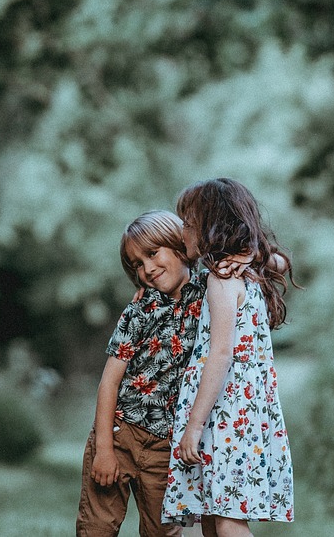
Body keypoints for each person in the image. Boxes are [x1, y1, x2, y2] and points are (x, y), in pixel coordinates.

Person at [76, 210, 255, 537]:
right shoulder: (140, 309)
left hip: (168, 446)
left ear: (179, 244)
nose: (147, 269)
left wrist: (246, 257)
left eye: (152, 253)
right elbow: (109, 382)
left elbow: (276, 264)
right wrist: (103, 448)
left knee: (163, 532)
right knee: (96, 528)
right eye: (137, 264)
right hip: (120, 434)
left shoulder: (211, 289)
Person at [162, 178, 295, 536]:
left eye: (188, 224)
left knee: (227, 522)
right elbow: (280, 261)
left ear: (210, 228)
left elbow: (220, 355)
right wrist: (253, 253)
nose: (182, 234)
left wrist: (194, 426)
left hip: (224, 417)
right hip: (242, 415)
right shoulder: (248, 272)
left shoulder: (222, 280)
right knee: (214, 514)